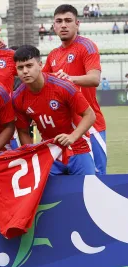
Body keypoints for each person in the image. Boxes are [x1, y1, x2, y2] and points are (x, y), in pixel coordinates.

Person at [12, 45, 96, 175]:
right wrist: (31, 153)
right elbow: (23, 131)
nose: (25, 71)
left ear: (40, 65)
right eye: (20, 68)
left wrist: (72, 137)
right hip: (49, 151)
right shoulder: (18, 97)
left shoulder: (63, 86)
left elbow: (90, 115)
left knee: (86, 192)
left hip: (78, 147)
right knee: (50, 194)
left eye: (29, 66)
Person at [43, 4, 107, 175]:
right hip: (64, 128)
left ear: (77, 23)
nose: (64, 25)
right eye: (59, 21)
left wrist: (69, 79)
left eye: (68, 20)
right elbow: (42, 84)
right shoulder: (53, 55)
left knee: (96, 179)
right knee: (64, 183)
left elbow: (95, 79)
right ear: (54, 25)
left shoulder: (87, 46)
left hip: (90, 124)